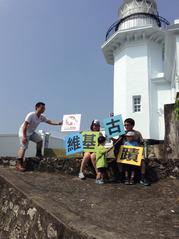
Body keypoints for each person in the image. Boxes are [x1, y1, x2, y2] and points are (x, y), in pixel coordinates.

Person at [17, 102, 63, 171]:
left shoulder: (42, 117)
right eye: (42, 108)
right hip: (24, 132)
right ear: (36, 108)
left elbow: (49, 121)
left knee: (40, 141)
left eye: (44, 108)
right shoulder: (31, 115)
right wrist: (24, 136)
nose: (43, 109)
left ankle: (38, 155)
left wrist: (59, 123)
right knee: (23, 147)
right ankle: (19, 164)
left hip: (31, 133)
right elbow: (25, 126)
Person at [114, 118, 150, 186]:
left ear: (132, 125)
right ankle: (123, 177)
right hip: (125, 153)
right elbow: (117, 143)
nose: (126, 126)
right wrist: (113, 139)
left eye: (128, 125)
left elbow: (141, 143)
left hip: (135, 153)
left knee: (142, 161)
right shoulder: (122, 133)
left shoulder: (137, 133)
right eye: (125, 125)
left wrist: (140, 152)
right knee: (118, 160)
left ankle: (142, 178)